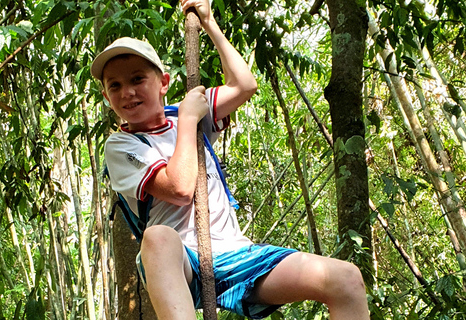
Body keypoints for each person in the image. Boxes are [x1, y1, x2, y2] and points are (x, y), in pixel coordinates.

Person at [91, 0, 370, 319]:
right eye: (115, 85)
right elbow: (181, 188)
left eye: (137, 79)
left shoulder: (185, 115)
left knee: (346, 280)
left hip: (236, 254)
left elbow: (244, 85)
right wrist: (189, 119)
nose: (127, 92)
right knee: (157, 236)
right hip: (181, 264)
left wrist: (209, 23)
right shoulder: (122, 145)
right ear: (107, 96)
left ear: (163, 83)